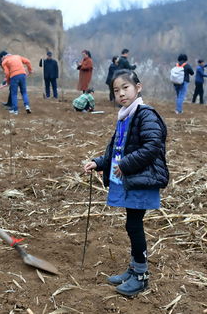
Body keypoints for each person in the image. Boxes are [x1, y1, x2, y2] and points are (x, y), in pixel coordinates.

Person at [84, 69, 169, 297]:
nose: (121, 94)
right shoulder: (125, 115)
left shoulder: (145, 115)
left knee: (133, 225)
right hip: (130, 178)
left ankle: (140, 276)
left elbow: (152, 146)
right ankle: (134, 269)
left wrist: (127, 165)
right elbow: (118, 151)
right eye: (116, 90)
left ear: (138, 88)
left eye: (126, 88)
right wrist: (99, 162)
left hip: (141, 180)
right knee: (132, 225)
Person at [0, 51, 32, 115]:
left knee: (14, 94)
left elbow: (7, 73)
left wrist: (8, 81)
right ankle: (27, 106)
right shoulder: (17, 56)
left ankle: (15, 110)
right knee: (24, 92)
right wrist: (30, 70)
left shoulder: (4, 62)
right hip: (22, 74)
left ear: (3, 57)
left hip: (14, 76)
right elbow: (28, 61)